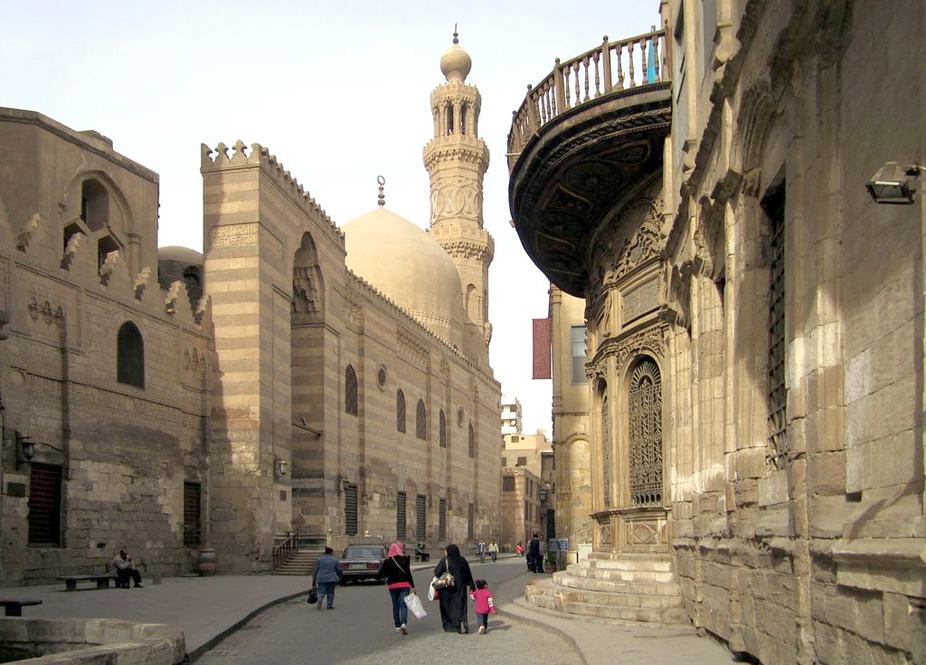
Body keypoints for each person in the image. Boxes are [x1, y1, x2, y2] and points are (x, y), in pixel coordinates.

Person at [433, 543, 475, 633]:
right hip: (460, 589)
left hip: (446, 590)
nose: (445, 552)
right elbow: (468, 574)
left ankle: (449, 626)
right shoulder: (462, 560)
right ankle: (461, 622)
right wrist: (472, 586)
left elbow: (437, 572)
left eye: (446, 550)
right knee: (460, 606)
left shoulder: (445, 561)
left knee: (447, 607)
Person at [378, 542, 416, 635]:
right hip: (404, 585)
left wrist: (388, 575)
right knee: (403, 604)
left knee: (395, 605)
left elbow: (381, 573)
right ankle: (403, 623)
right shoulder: (405, 559)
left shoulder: (387, 561)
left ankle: (397, 625)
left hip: (392, 586)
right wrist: (413, 586)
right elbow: (408, 574)